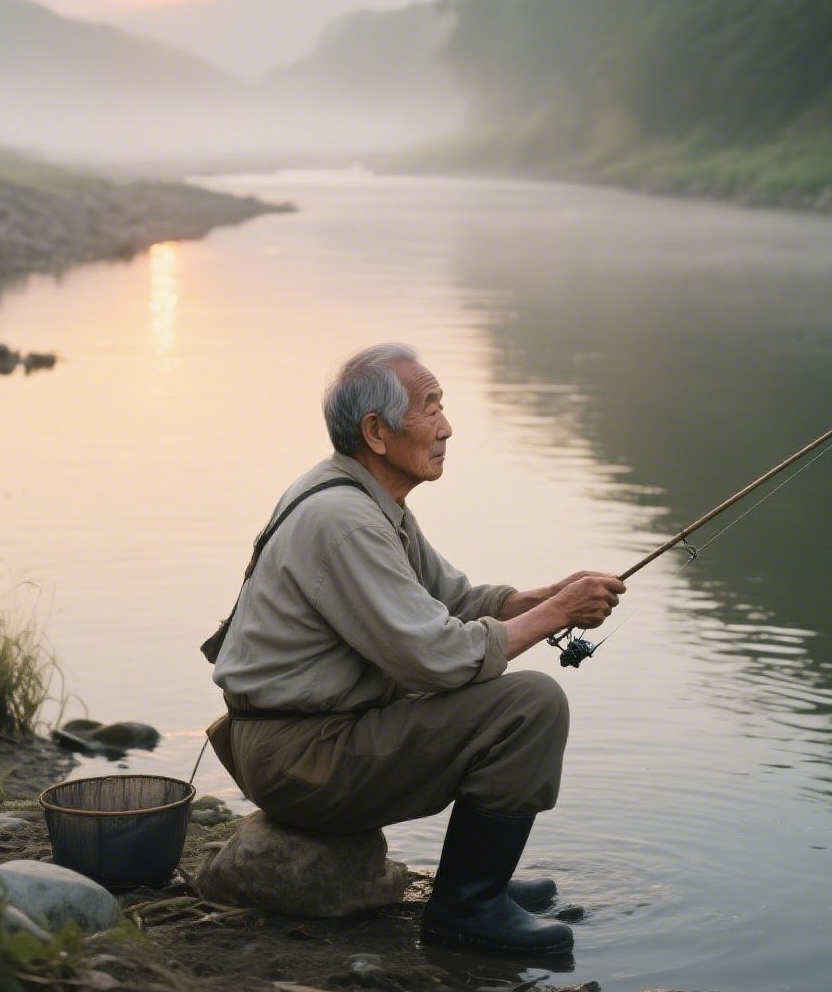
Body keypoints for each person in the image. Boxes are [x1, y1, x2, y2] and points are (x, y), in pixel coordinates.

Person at [207, 343, 625, 957]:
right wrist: (558, 614)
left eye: (441, 407)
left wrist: (548, 595)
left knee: (514, 695)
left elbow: (454, 601)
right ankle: (467, 909)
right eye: (430, 409)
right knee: (531, 705)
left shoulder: (365, 496)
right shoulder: (346, 519)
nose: (446, 427)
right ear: (376, 432)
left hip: (307, 740)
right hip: (299, 758)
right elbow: (437, 657)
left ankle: (478, 878)